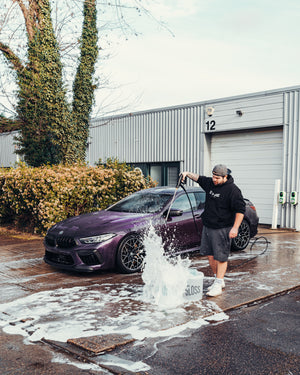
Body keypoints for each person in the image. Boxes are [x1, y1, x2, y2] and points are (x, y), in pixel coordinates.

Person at [181, 164, 245, 297]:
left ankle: (219, 282)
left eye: (217, 178)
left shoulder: (233, 190)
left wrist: (235, 227)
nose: (214, 180)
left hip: (222, 228)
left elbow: (240, 211)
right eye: (213, 177)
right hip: (208, 226)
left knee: (220, 256)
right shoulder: (210, 183)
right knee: (210, 256)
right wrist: (187, 173)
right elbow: (198, 178)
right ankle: (218, 279)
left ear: (225, 177)